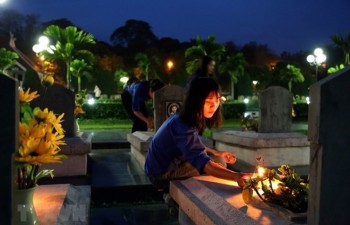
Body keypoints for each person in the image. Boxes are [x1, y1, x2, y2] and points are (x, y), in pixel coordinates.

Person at [145, 77, 249, 191]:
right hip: (161, 175)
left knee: (218, 159)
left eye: (217, 100)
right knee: (218, 163)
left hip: (166, 166)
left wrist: (217, 152)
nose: (214, 105)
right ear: (196, 100)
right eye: (208, 100)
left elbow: (193, 145)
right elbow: (203, 162)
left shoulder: (187, 117)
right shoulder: (181, 124)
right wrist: (237, 176)